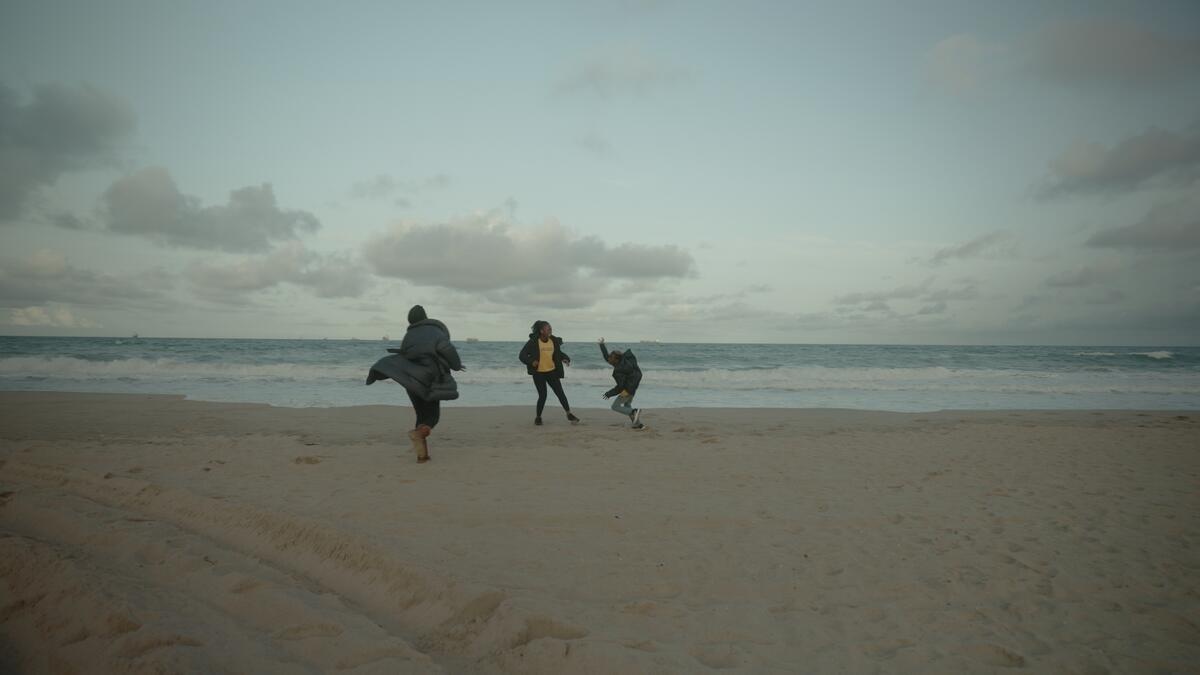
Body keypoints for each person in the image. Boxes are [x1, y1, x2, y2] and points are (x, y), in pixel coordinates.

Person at [365, 305, 464, 463]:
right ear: (425, 317)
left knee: (421, 415)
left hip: (410, 380)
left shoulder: (409, 335)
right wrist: (456, 366)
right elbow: (447, 349)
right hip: (430, 379)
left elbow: (407, 355)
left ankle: (422, 456)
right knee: (432, 417)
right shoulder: (435, 331)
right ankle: (419, 436)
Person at [518, 320, 581, 426]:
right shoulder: (533, 342)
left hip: (552, 372)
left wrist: (565, 358)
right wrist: (531, 361)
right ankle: (538, 417)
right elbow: (522, 355)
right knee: (543, 395)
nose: (550, 330)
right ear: (542, 331)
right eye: (548, 329)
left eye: (551, 328)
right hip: (539, 373)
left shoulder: (553, 340)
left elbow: (558, 353)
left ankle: (569, 414)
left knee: (560, 393)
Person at [599, 337, 644, 429]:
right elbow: (606, 357)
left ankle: (634, 411)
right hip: (633, 386)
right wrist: (602, 345)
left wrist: (609, 393)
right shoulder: (624, 361)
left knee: (615, 406)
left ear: (616, 360)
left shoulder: (619, 370)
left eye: (611, 357)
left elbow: (620, 387)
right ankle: (638, 424)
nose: (609, 359)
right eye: (610, 356)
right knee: (627, 405)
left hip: (627, 389)